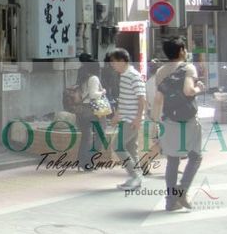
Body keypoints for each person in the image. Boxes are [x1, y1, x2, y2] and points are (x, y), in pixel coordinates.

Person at [153, 37, 205, 212]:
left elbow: (158, 99)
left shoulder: (160, 71)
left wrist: (155, 123)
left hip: (168, 119)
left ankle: (170, 201)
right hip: (188, 119)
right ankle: (182, 190)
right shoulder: (188, 67)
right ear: (182, 50)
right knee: (196, 156)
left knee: (173, 160)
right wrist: (200, 89)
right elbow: (188, 91)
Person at [107, 48, 146, 190]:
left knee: (118, 146)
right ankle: (136, 177)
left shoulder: (133, 76)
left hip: (131, 119)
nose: (112, 64)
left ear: (123, 61)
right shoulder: (124, 75)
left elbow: (141, 99)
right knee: (130, 148)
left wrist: (137, 118)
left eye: (114, 61)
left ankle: (135, 176)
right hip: (127, 118)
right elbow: (124, 100)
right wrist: (117, 115)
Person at [75, 53, 107, 172]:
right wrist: (103, 92)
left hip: (83, 110)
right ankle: (89, 161)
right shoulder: (93, 78)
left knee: (86, 137)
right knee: (100, 135)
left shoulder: (81, 76)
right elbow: (93, 95)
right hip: (94, 109)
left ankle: (82, 162)